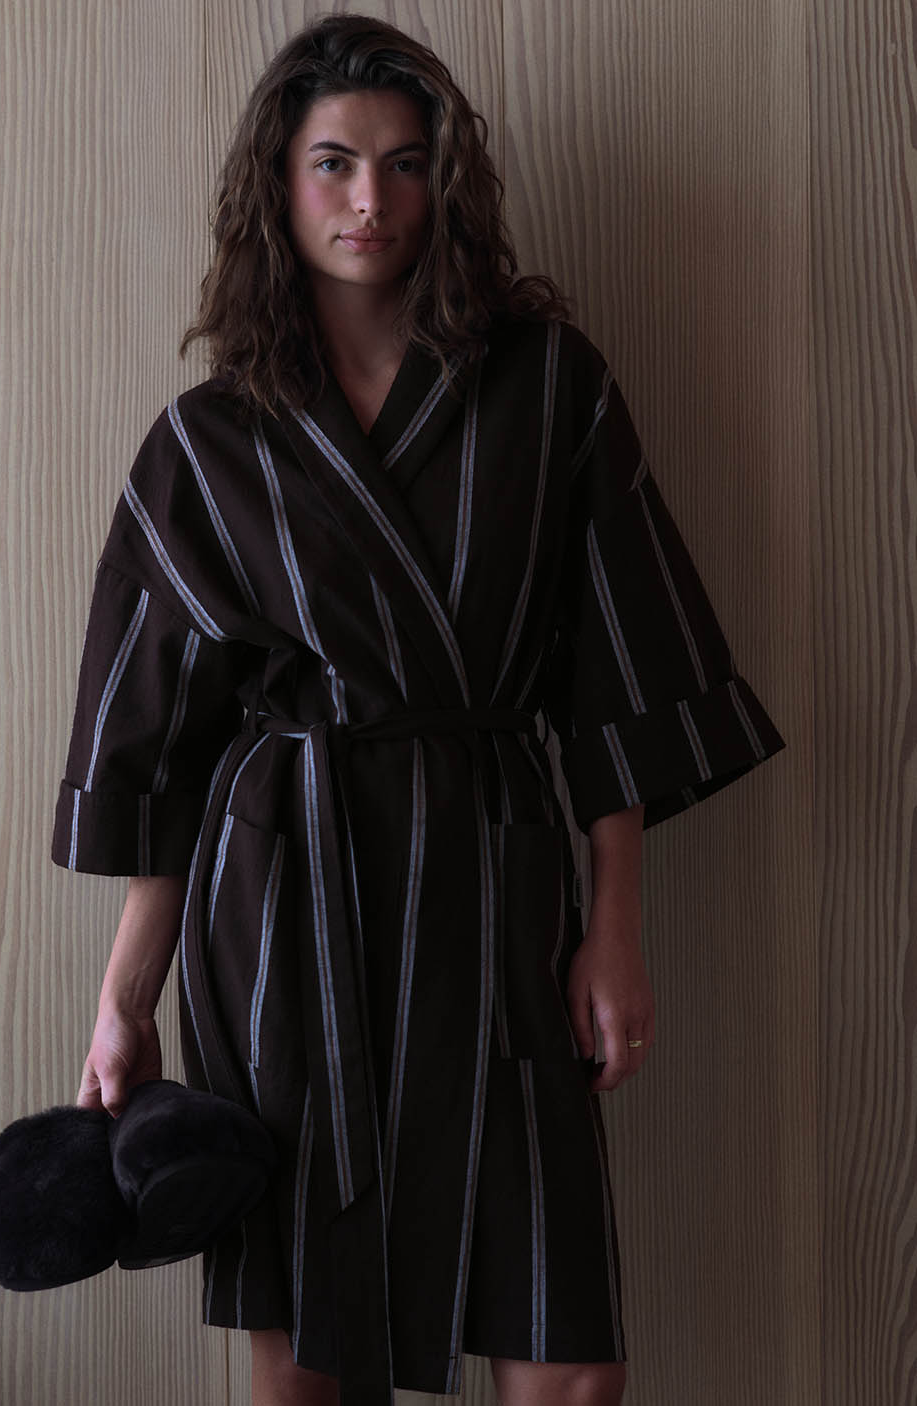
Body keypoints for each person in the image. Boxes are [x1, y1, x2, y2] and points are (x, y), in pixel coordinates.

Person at [51, 14, 784, 1406]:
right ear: (277, 186)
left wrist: (615, 926)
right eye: (332, 163)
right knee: (311, 1354)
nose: (370, 200)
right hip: (284, 902)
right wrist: (122, 1004)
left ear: (446, 183)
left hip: (498, 881)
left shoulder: (550, 387)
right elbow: (163, 759)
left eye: (403, 163)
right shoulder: (211, 440)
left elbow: (618, 673)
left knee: (569, 1363)